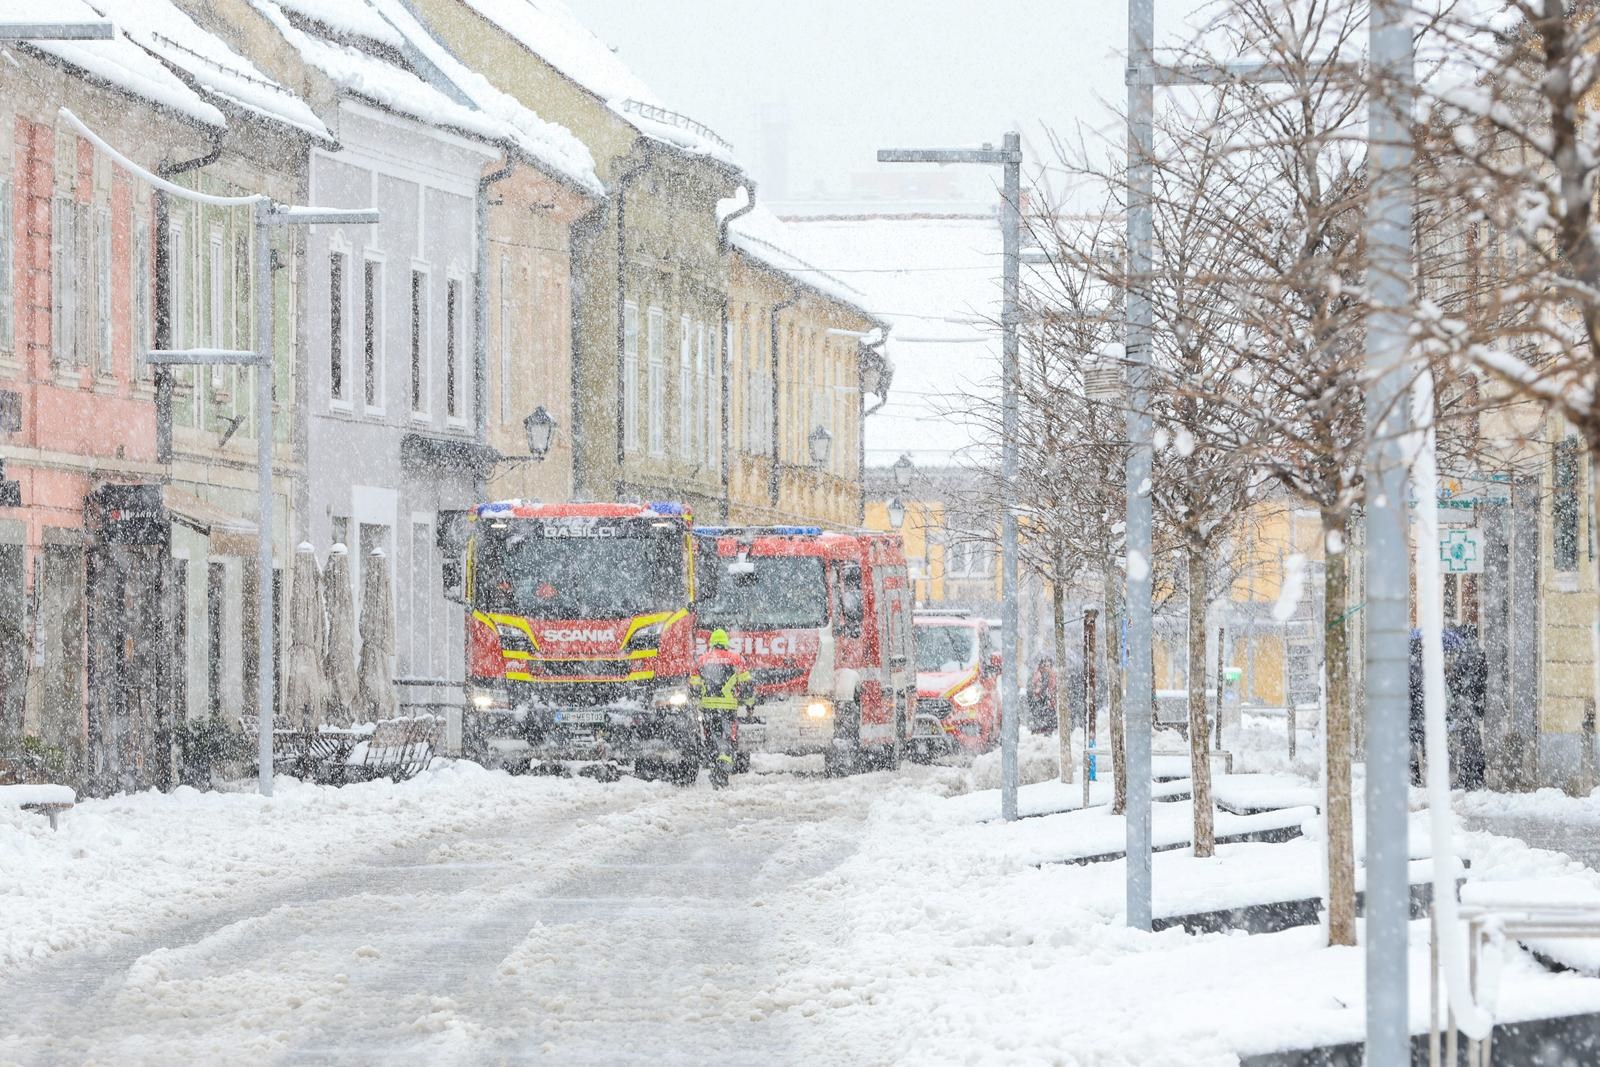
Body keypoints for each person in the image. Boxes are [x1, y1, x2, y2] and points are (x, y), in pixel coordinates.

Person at [690, 628, 754, 789]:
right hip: (728, 708)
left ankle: (714, 766)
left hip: (708, 708)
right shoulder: (737, 659)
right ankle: (722, 772)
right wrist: (749, 704)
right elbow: (747, 685)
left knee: (711, 738)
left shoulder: (701, 660)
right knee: (727, 739)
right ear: (726, 643)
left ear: (712, 643)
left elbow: (694, 687)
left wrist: (696, 701)